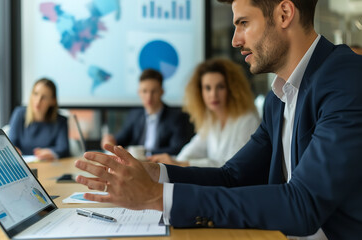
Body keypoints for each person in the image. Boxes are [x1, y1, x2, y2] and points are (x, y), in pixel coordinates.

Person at [74, 0, 362, 239]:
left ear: (284, 14)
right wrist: (155, 174)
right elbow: (232, 177)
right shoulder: (278, 97)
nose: (236, 40)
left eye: (244, 23)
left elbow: (304, 204)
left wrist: (156, 196)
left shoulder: (346, 78)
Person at [148, 58, 260, 167]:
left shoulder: (247, 119)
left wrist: (181, 164)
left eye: (220, 87)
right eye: (207, 88)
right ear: (199, 91)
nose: (213, 95)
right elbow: (192, 150)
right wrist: (172, 162)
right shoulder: (211, 119)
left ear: (231, 89)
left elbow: (232, 165)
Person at [101, 69, 194, 156]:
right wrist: (111, 141)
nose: (149, 97)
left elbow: (177, 149)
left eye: (154, 91)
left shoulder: (177, 117)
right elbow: (121, 139)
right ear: (139, 92)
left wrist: (144, 152)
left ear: (162, 92)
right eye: (144, 91)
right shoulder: (135, 114)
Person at [8, 78, 69, 160]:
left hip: (49, 168)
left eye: (44, 97)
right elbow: (11, 143)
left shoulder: (60, 121)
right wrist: (13, 150)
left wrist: (51, 152)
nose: (38, 101)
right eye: (35, 94)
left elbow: (64, 148)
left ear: (53, 101)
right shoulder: (19, 114)